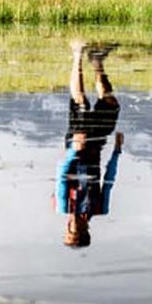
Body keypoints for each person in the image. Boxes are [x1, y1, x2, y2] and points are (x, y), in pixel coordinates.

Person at [57, 41, 122, 248]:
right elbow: (108, 181)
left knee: (81, 102)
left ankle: (77, 54)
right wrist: (117, 151)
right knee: (111, 104)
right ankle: (96, 61)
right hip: (96, 147)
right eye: (73, 232)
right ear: (85, 231)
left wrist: (74, 150)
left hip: (78, 147)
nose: (69, 227)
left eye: (67, 231)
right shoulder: (100, 208)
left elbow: (62, 176)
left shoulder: (63, 204)